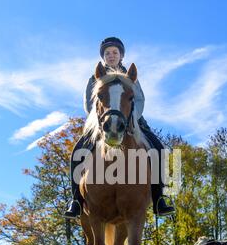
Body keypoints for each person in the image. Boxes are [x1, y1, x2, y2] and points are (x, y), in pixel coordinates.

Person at [65, 37, 175, 218]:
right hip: (103, 122)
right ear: (103, 56)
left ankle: (159, 199)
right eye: (107, 53)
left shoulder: (129, 76)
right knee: (78, 151)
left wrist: (131, 118)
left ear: (121, 55)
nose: (111, 55)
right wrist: (100, 119)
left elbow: (140, 99)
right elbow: (88, 102)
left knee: (159, 149)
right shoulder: (95, 77)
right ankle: (76, 200)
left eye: (115, 52)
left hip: (132, 121)